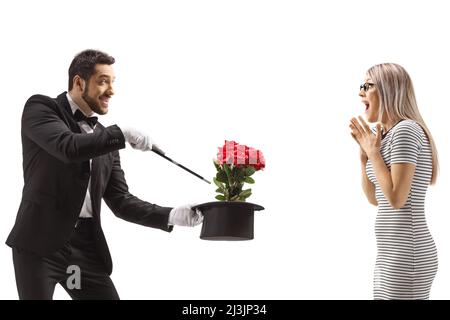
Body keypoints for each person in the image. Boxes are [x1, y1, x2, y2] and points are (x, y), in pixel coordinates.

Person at [6, 49, 203, 300]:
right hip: (39, 247)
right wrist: (123, 133)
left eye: (112, 82)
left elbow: (121, 201)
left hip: (81, 251)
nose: (111, 90)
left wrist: (173, 215)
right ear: (79, 82)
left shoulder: (106, 144)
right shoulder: (42, 108)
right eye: (103, 81)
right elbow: (68, 147)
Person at [349, 63, 439, 300]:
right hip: (389, 255)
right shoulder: (387, 136)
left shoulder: (407, 130)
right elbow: (375, 199)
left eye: (367, 86)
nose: (360, 93)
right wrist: (364, 158)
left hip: (408, 253)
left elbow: (397, 199)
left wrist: (374, 154)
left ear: (389, 89)